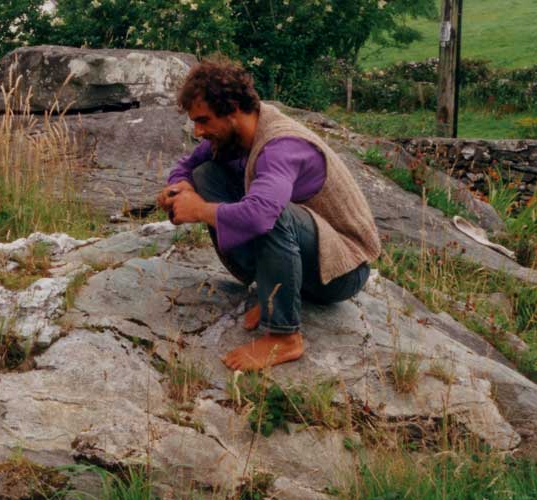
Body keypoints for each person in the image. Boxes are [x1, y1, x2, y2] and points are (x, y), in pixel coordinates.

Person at [157, 57, 381, 371]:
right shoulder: (235, 133)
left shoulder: (281, 145)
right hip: (308, 256)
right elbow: (187, 166)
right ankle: (271, 287)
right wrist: (178, 188)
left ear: (232, 108)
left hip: (342, 269)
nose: (198, 131)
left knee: (269, 213)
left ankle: (285, 337)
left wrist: (199, 210)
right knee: (206, 174)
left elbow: (261, 215)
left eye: (204, 120)